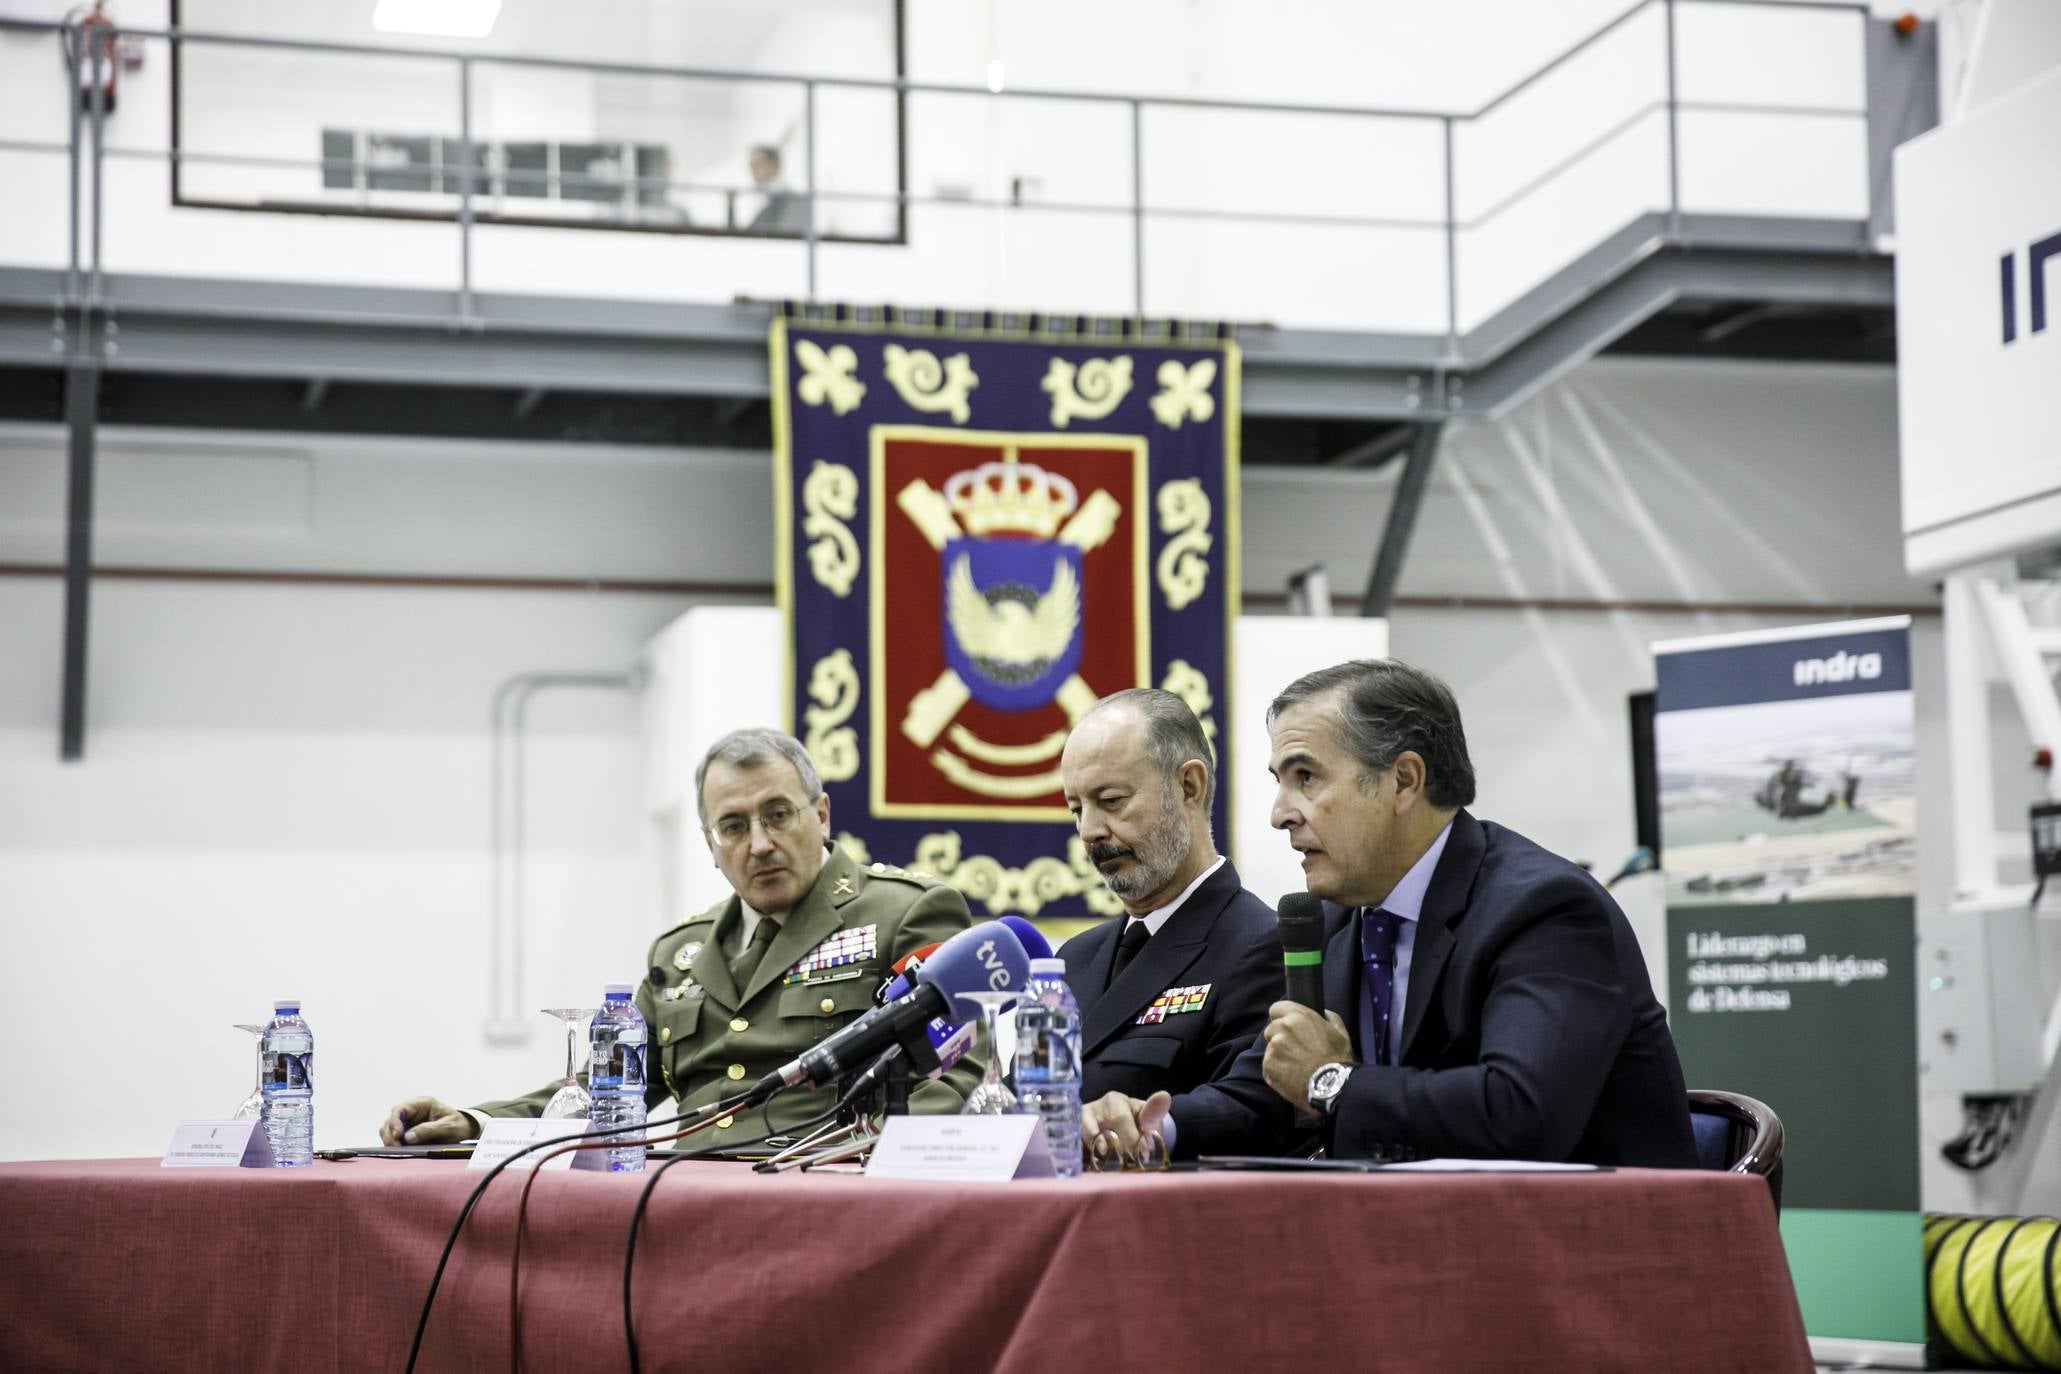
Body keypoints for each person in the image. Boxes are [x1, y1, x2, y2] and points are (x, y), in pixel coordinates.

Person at [1086, 660, 1697, 1167]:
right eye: (1279, 781)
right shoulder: (1333, 923)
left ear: (1404, 781)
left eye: (1306, 778)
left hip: (1596, 1264)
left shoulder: (1545, 910)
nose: (1280, 813)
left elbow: (1519, 1113)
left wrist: (1332, 1083)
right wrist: (1149, 1125)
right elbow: (1263, 1094)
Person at [380, 727, 982, 1149]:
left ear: (821, 815)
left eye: (779, 814)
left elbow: (953, 1074)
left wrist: (882, 1174)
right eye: (734, 826)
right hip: (681, 1196)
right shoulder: (679, 953)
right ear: (710, 847)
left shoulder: (907, 912)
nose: (760, 843)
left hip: (822, 1191)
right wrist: (475, 1121)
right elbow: (608, 1090)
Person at [1059, 689, 1290, 1160]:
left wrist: (1141, 1122)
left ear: (1189, 786)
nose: (1089, 831)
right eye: (1077, 809)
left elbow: (1253, 1111)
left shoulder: (1261, 944)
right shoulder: (1072, 960)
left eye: (1111, 800)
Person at [746, 144, 811, 235]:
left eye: (758, 164)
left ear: (775, 165)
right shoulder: (751, 198)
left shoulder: (792, 198)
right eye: (751, 165)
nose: (753, 170)